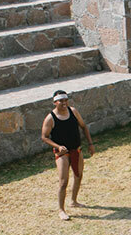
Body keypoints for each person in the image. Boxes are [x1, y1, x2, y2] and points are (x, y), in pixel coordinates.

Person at [40, 90, 95, 221]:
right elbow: (44, 137)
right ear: (55, 102)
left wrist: (90, 144)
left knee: (79, 175)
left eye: (66, 100)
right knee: (63, 182)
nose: (64, 103)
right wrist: (57, 146)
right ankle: (61, 210)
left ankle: (74, 201)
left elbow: (83, 126)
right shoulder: (50, 118)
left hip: (76, 149)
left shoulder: (73, 111)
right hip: (62, 154)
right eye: (61, 101)